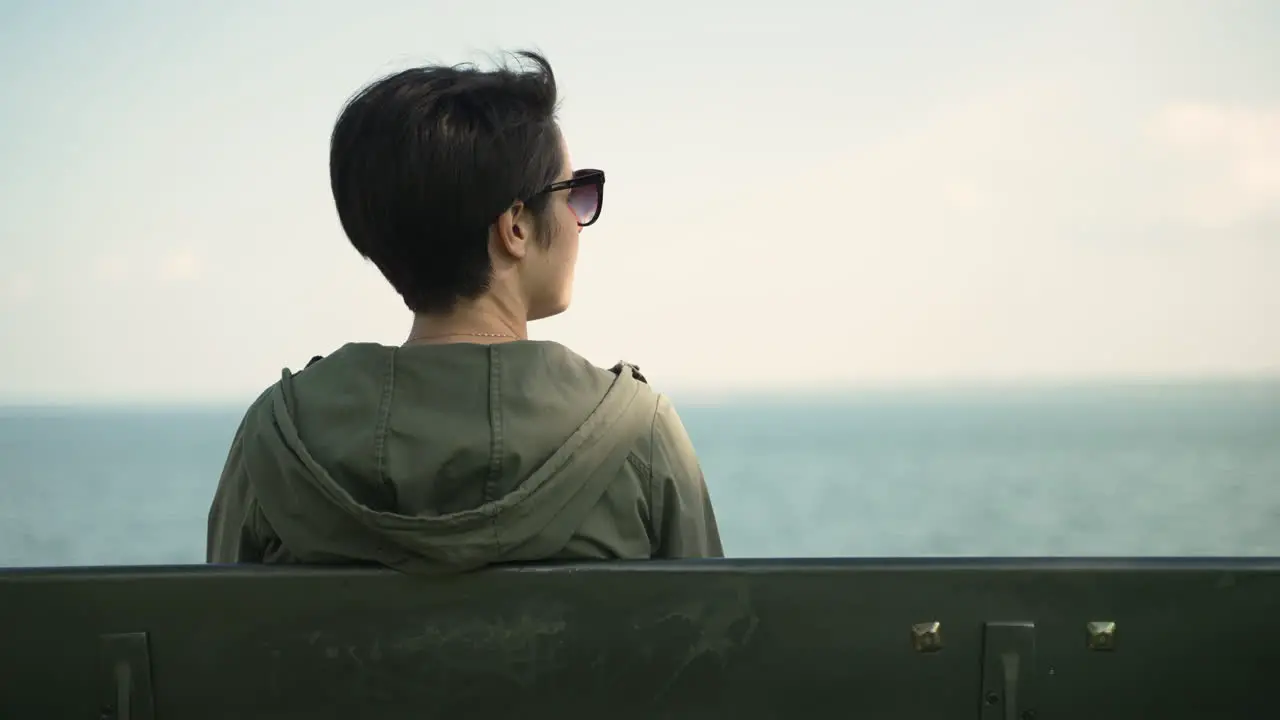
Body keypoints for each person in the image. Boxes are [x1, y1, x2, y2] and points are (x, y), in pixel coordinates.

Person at [206, 51, 723, 572]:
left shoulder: (276, 440)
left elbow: (217, 642)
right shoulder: (639, 435)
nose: (578, 221)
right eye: (575, 193)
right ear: (515, 226)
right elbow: (715, 639)